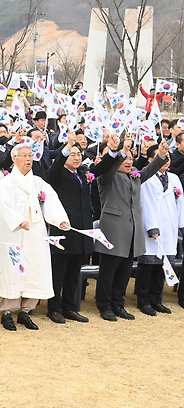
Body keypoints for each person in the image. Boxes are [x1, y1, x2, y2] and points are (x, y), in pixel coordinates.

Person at [0, 144, 70, 331]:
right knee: (15, 269)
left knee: (35, 268)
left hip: (35, 231)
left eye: (31, 155)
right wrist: (19, 221)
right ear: (14, 158)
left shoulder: (38, 182)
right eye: (24, 155)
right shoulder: (7, 182)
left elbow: (51, 199)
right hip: (15, 233)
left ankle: (26, 311)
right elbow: (4, 206)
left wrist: (60, 219)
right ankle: (8, 312)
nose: (28, 159)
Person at [89, 135, 167, 321]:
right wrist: (121, 151)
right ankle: (105, 305)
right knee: (108, 271)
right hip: (113, 230)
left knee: (124, 272)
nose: (129, 161)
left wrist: (161, 155)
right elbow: (109, 169)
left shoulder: (135, 177)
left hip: (131, 232)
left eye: (131, 158)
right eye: (126, 158)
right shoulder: (108, 176)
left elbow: (148, 170)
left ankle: (118, 304)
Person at [45, 136, 94, 324]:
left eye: (79, 154)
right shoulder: (57, 173)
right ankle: (54, 308)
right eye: (72, 154)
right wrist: (67, 147)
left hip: (81, 229)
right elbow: (54, 168)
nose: (76, 157)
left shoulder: (83, 173)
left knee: (74, 272)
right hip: (63, 229)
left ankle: (70, 307)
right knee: (59, 272)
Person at [136, 143, 182, 316]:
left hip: (168, 228)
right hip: (152, 226)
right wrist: (152, 227)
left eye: (167, 157)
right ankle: (144, 300)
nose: (165, 161)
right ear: (151, 160)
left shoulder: (174, 178)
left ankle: (157, 299)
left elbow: (180, 202)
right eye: (160, 157)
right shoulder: (146, 179)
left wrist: (180, 224)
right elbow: (145, 203)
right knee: (148, 265)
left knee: (163, 267)